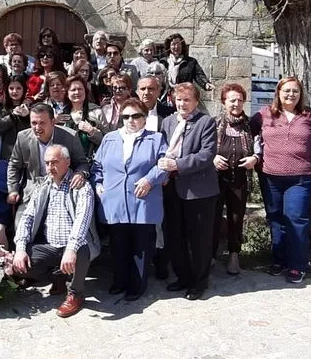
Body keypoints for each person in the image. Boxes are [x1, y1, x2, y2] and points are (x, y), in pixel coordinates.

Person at [91, 98, 168, 301]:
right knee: (118, 244)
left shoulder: (156, 139)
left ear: (145, 117)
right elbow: (97, 166)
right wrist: (98, 184)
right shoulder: (109, 139)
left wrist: (150, 180)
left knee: (141, 245)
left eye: (136, 116)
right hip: (115, 200)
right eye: (126, 116)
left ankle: (137, 285)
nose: (130, 120)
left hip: (143, 199)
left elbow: (164, 164)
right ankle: (120, 281)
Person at [13, 145, 99, 318]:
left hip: (76, 245)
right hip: (50, 246)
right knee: (19, 264)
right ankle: (58, 278)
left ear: (67, 162)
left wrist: (71, 249)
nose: (50, 167)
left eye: (54, 162)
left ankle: (75, 294)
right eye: (47, 163)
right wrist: (20, 249)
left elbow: (82, 221)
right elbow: (27, 217)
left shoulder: (81, 187)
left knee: (81, 249)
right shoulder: (43, 186)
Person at [251, 76, 311, 284]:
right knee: (275, 219)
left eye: (295, 91)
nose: (291, 94)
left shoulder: (310, 116)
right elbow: (249, 134)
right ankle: (279, 260)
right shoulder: (264, 114)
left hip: (301, 177)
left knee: (296, 219)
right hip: (270, 177)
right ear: (278, 93)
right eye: (286, 90)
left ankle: (297, 265)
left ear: (301, 94)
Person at [158, 83, 218, 300]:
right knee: (175, 235)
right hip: (171, 187)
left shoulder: (206, 122)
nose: (182, 104)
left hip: (198, 190)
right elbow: (161, 148)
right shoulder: (168, 121)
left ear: (196, 101)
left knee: (199, 238)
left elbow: (207, 154)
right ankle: (183, 276)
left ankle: (200, 282)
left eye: (187, 100)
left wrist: (178, 165)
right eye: (179, 99)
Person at [6, 103, 89, 226]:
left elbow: (82, 163)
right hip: (33, 190)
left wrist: (80, 173)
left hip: (62, 190)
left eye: (42, 123)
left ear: (53, 122)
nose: (37, 127)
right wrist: (13, 190)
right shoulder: (23, 137)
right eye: (34, 123)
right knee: (20, 225)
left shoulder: (70, 136)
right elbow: (14, 165)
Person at [212, 84, 258, 275]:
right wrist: (213, 158)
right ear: (224, 102)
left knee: (236, 217)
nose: (236, 104)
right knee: (213, 216)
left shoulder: (251, 124)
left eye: (240, 100)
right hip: (216, 178)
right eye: (232, 100)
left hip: (240, 178)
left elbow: (260, 146)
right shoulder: (214, 123)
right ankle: (210, 254)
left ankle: (234, 254)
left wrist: (255, 158)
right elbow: (205, 147)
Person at [136, 75, 175, 278]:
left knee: (162, 222)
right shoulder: (130, 112)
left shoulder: (169, 114)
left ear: (159, 91)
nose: (146, 92)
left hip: (163, 177)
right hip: (138, 177)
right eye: (142, 88)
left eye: (151, 89)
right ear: (137, 91)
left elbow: (174, 147)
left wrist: (165, 173)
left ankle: (161, 261)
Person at [63, 75, 107, 160]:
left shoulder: (97, 112)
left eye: (80, 89)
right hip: (68, 163)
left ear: (85, 92)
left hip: (93, 162)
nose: (77, 92)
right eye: (73, 90)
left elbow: (108, 140)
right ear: (67, 94)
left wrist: (92, 132)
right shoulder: (62, 116)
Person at [0, 75, 31, 160]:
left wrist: (27, 116)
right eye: (11, 88)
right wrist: (12, 116)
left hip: (27, 153)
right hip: (8, 154)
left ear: (24, 89)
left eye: (18, 88)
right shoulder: (2, 107)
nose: (14, 91)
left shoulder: (30, 107)